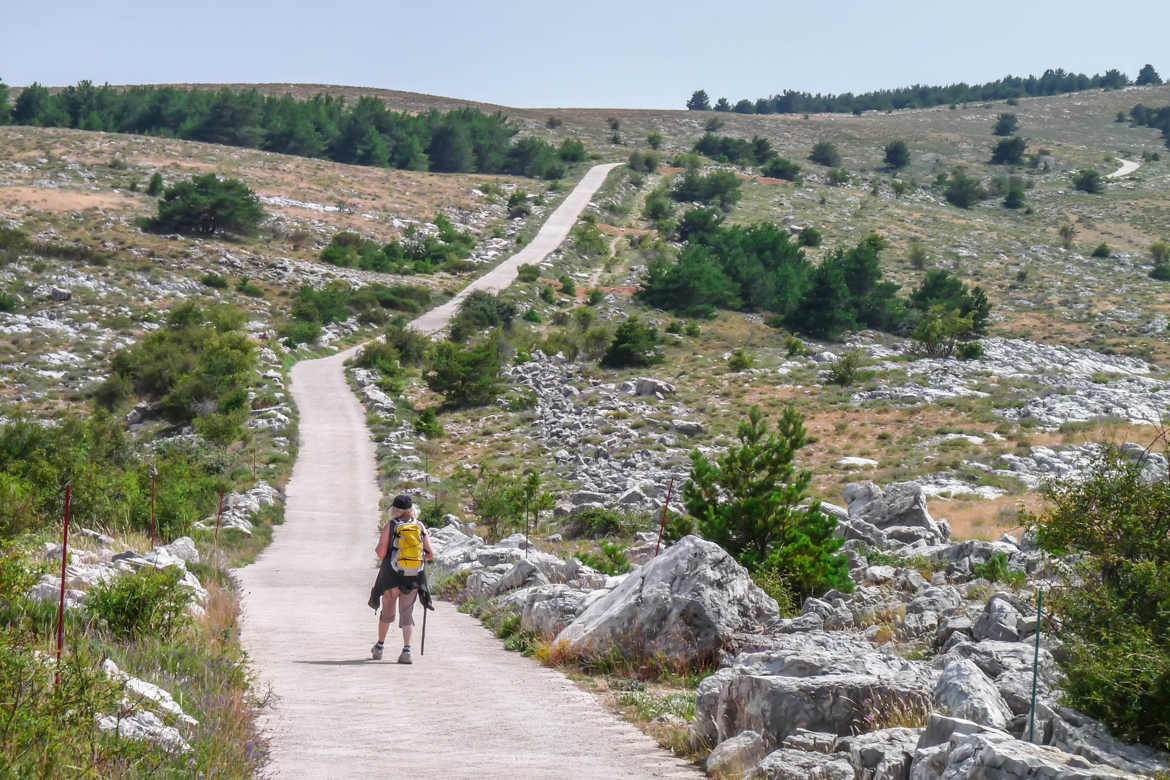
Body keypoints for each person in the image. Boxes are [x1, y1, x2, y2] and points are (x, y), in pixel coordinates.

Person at [370, 495, 434, 664]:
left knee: (387, 612)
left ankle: (379, 647)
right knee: (407, 613)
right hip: (413, 577)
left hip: (392, 576)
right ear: (412, 509)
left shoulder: (391, 526)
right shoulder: (419, 526)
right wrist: (415, 560)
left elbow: (381, 553)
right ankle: (407, 651)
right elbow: (430, 553)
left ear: (395, 509)